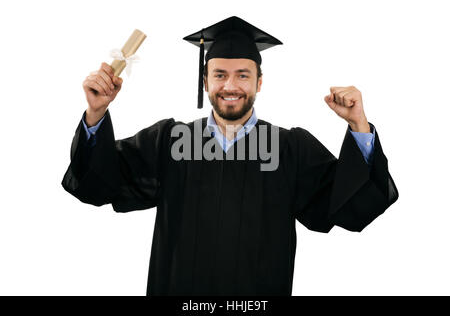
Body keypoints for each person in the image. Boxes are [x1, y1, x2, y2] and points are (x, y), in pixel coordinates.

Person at [61, 16, 399, 296]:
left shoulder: (290, 149)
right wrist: (95, 114)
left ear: (259, 82)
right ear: (205, 80)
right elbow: (99, 185)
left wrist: (358, 125)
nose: (230, 85)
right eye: (220, 74)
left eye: (243, 75)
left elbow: (350, 205)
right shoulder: (169, 141)